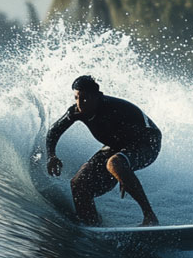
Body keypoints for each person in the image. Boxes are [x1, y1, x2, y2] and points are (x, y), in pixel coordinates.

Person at [45, 75, 161, 226]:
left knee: (115, 163)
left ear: (97, 97)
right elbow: (53, 131)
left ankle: (149, 216)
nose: (80, 104)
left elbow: (143, 135)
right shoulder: (76, 112)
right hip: (118, 147)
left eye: (85, 98)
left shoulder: (115, 108)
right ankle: (92, 226)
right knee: (79, 184)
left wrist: (124, 172)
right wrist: (51, 155)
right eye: (76, 98)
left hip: (148, 143)